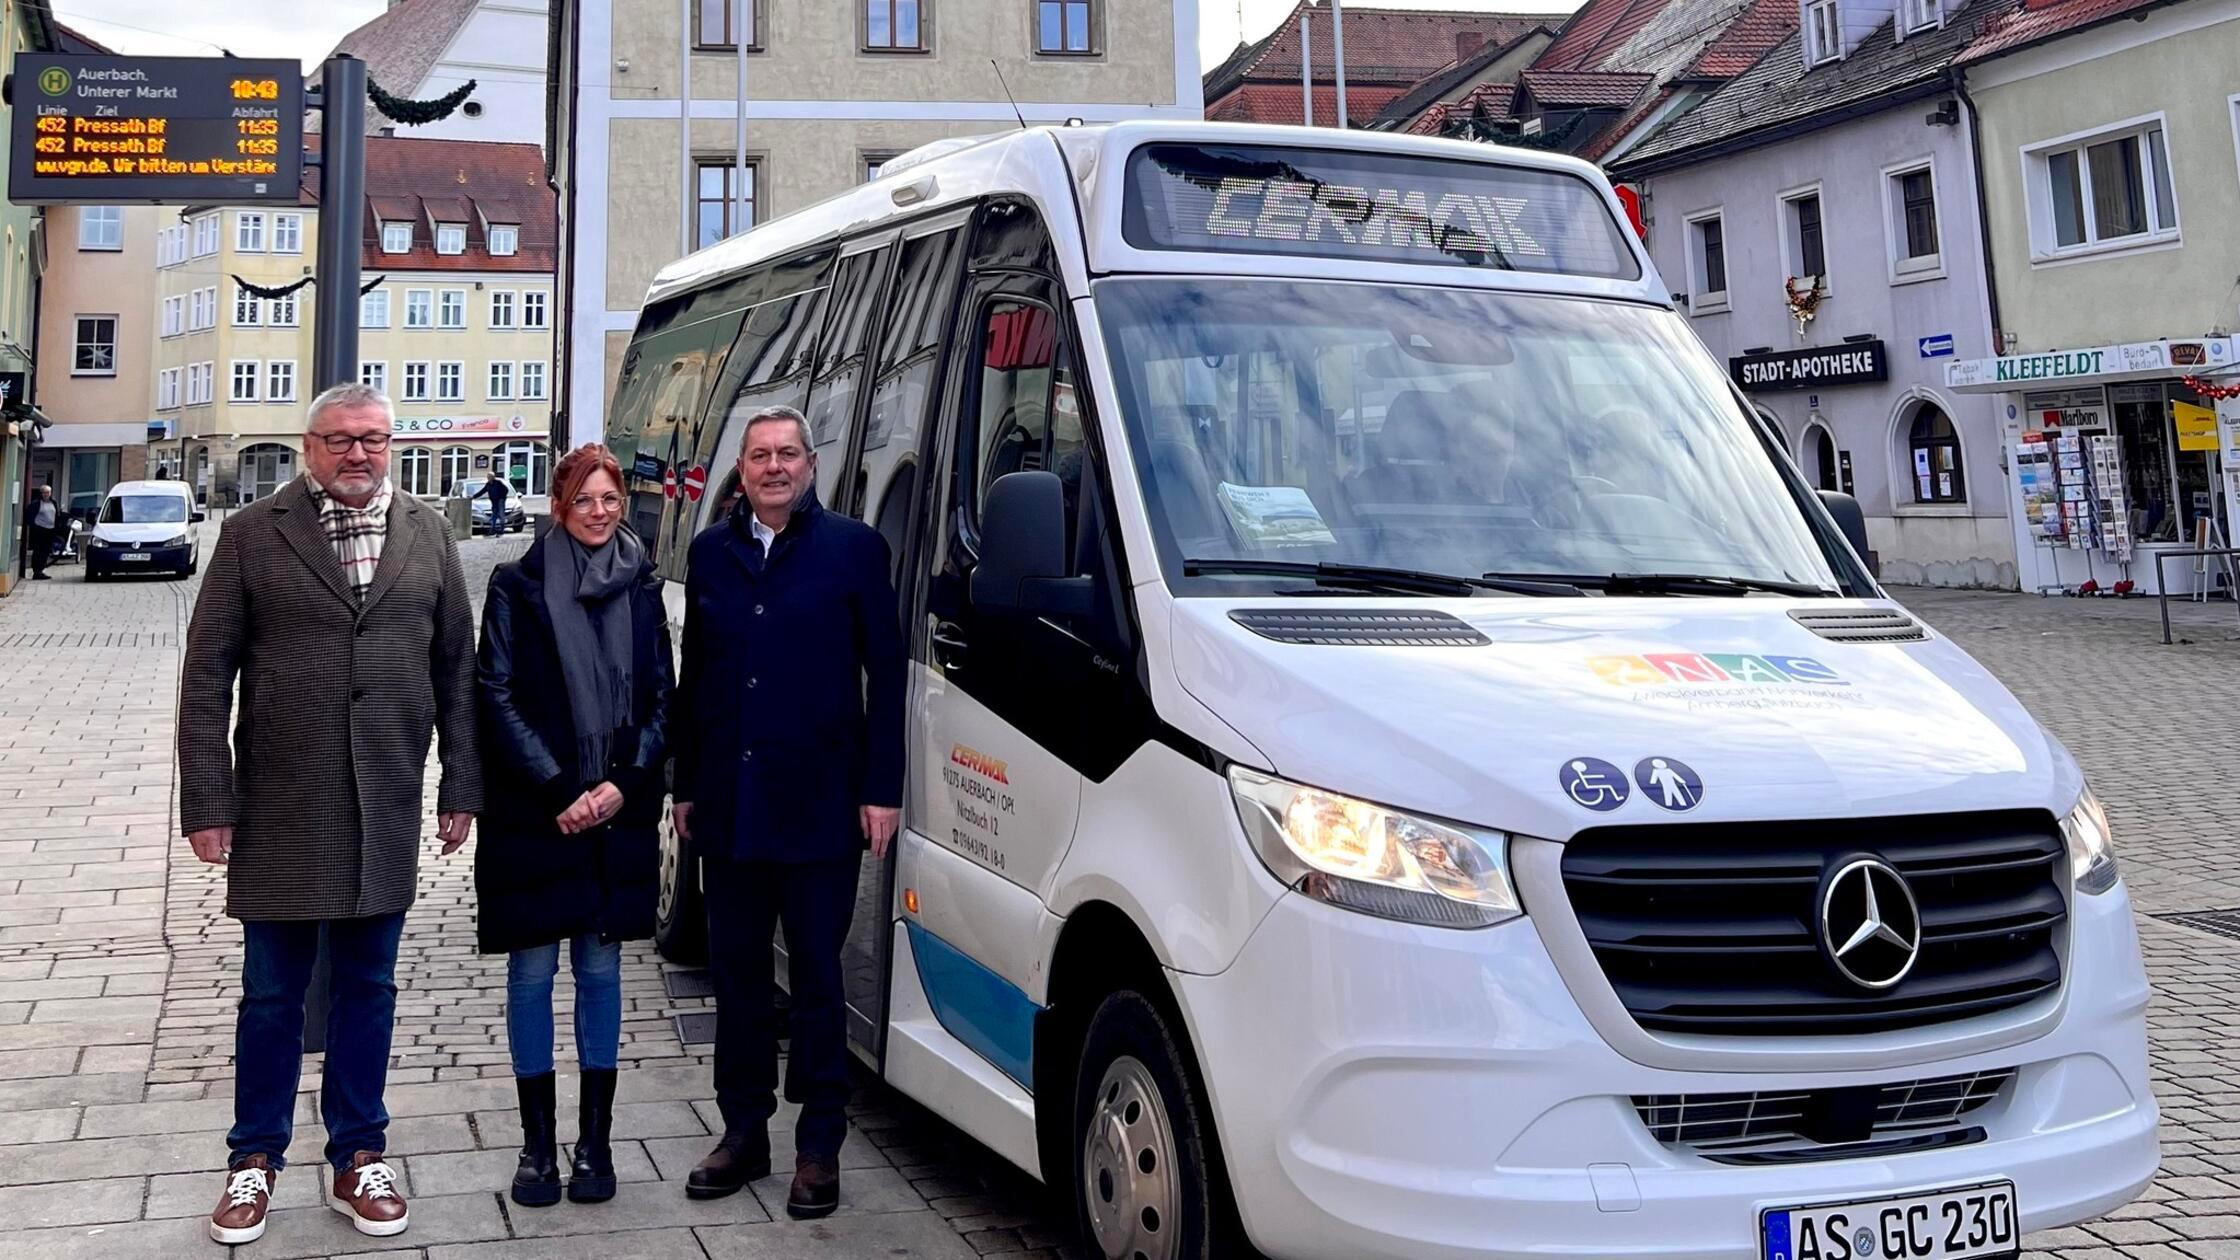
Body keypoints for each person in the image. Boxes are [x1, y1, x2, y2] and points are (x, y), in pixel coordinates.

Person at [178, 382, 481, 1247]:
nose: (360, 455)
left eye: (375, 440)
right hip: (279, 802)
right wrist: (209, 798)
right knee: (272, 994)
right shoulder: (251, 536)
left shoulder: (427, 531)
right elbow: (206, 679)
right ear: (309, 446)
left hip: (384, 796)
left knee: (369, 988)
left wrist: (461, 785)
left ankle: (358, 1154)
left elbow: (456, 668)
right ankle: (254, 1161)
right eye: (342, 440)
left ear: (393, 445)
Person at [671, 405, 905, 1218]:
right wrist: (684, 786)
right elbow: (695, 679)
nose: (773, 468)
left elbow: (889, 676)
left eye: (787, 455)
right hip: (730, 810)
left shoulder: (852, 551)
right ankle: (743, 1132)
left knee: (815, 978)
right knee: (736, 980)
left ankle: (820, 1145)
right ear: (741, 468)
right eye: (759, 455)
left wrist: (883, 789)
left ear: (811, 465)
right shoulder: (711, 555)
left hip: (821, 809)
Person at [474, 444, 674, 1208]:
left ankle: (595, 1145)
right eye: (584, 499)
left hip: (614, 815)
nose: (599, 511)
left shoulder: (644, 589)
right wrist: (559, 787)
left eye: (610, 497)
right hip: (537, 812)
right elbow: (494, 693)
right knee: (530, 973)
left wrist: (623, 785)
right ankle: (535, 1151)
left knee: (599, 970)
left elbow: (663, 697)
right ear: (559, 507)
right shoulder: (516, 587)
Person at [22, 485, 56, 579]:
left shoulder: (53, 503)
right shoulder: (36, 504)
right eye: (44, 492)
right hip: (40, 530)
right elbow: (29, 516)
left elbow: (56, 514)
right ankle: (36, 571)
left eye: (48, 492)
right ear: (41, 493)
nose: (46, 494)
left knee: (46, 551)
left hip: (50, 530)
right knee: (38, 551)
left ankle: (41, 569)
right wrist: (35, 526)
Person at [476, 470, 513, 536]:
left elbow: (506, 490)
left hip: (500, 501)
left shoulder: (498, 483)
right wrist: (474, 496)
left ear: (493, 477)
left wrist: (502, 497)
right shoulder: (488, 484)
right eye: (488, 477)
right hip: (494, 502)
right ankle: (492, 530)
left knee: (501, 515)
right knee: (494, 516)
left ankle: (502, 529)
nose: (489, 478)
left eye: (490, 477)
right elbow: (482, 491)